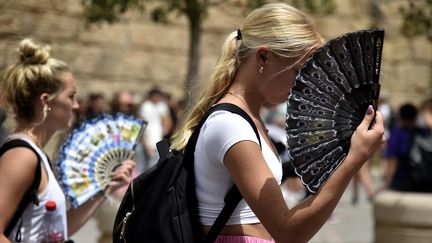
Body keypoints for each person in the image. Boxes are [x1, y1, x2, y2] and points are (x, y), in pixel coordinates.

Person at [170, 3, 385, 243]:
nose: (302, 86)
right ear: (263, 56)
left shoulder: (248, 120)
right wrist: (354, 159)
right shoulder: (230, 126)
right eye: (298, 72)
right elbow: (288, 232)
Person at [0, 38, 135, 242]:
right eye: (71, 96)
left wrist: (105, 189)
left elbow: (58, 230)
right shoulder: (22, 156)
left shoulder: (36, 154)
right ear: (46, 101)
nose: (76, 105)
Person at [383, 103, 418, 191]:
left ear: (400, 116)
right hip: (421, 180)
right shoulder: (421, 133)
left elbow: (392, 160)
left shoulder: (397, 134)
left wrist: (387, 184)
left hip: (401, 180)